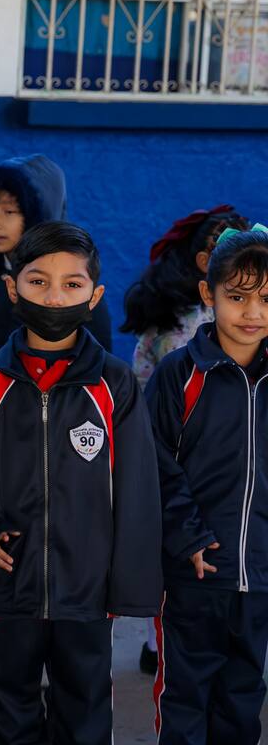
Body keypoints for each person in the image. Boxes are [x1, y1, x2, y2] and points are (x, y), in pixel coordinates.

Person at [0, 221, 161, 745]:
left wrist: (128, 581)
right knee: (7, 699)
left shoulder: (114, 383)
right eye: (38, 282)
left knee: (84, 701)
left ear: (94, 295)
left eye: (72, 284)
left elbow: (137, 487)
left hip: (86, 587)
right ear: (12, 287)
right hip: (7, 581)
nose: (55, 296)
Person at [0, 154, 114, 673]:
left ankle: (46, 631)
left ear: (41, 212)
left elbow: (99, 357)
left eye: (10, 210)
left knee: (45, 530)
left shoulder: (74, 280)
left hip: (51, 437)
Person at [147, 225, 268, 744]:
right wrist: (188, 536)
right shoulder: (179, 375)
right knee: (186, 694)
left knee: (243, 695)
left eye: (266, 299)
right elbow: (153, 466)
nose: (252, 312)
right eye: (236, 297)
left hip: (260, 576)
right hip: (196, 570)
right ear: (208, 294)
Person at [120, 204, 248, 674]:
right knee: (174, 548)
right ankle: (160, 640)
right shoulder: (172, 331)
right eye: (213, 250)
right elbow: (142, 384)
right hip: (176, 456)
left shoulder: (252, 324)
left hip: (235, 464)